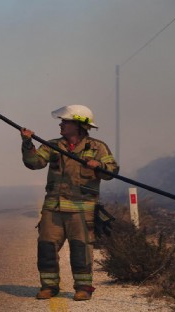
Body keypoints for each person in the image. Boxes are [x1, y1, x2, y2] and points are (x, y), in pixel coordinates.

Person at [20, 105, 119, 301]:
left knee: (81, 250)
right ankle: (49, 286)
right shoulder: (52, 145)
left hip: (82, 210)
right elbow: (34, 163)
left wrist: (99, 166)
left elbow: (112, 171)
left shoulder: (98, 147)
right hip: (53, 208)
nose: (61, 124)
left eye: (65, 121)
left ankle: (83, 288)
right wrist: (27, 143)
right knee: (46, 248)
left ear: (79, 125)